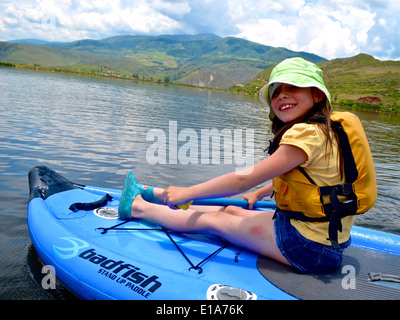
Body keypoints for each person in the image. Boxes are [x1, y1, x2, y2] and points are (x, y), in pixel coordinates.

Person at [118, 57, 376, 274]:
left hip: (308, 247)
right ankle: (156, 197)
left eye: (293, 87)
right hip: (329, 243)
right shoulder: (330, 129)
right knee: (231, 210)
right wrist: (260, 193)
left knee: (214, 219)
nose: (282, 95)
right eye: (276, 91)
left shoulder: (307, 134)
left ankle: (137, 207)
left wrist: (189, 192)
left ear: (317, 94)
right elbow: (312, 178)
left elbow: (243, 179)